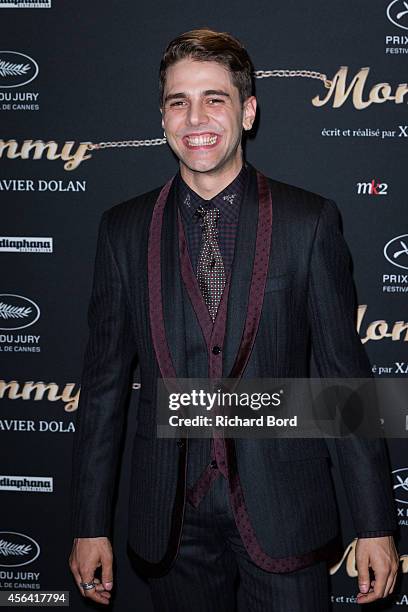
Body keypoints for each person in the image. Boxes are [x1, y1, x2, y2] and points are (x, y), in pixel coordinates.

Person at [69, 28, 399, 611]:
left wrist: (375, 523)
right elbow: (102, 393)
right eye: (179, 101)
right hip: (169, 521)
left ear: (247, 112)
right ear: (163, 119)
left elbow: (344, 381)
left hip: (285, 513)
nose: (196, 117)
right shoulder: (121, 231)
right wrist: (90, 522)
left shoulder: (309, 222)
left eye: (214, 98)